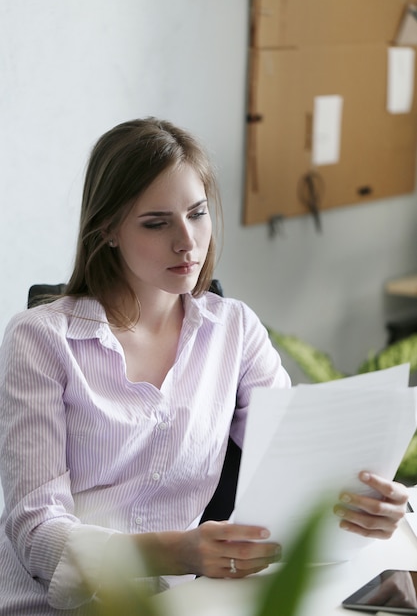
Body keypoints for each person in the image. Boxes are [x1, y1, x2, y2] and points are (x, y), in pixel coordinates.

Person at [0, 117, 409, 615]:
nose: (188, 242)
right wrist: (180, 550)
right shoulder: (39, 339)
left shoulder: (233, 330)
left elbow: (299, 462)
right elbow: (36, 532)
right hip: (47, 605)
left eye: (196, 214)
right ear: (106, 229)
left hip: (180, 602)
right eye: (156, 222)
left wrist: (366, 504)